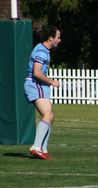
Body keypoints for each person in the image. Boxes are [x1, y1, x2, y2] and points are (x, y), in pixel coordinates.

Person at [24, 25, 61, 160]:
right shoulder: (41, 51)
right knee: (47, 114)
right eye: (58, 37)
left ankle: (43, 149)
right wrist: (51, 82)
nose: (59, 40)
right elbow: (37, 72)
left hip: (39, 85)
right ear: (50, 38)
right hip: (35, 84)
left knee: (50, 116)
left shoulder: (44, 50)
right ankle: (36, 147)